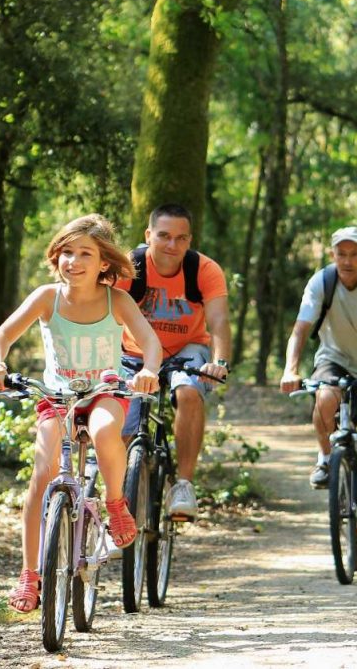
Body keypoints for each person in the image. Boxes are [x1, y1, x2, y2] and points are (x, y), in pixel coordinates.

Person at [0, 214, 162, 613]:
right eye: (66, 252)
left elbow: (149, 341)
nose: (73, 261)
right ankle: (30, 574)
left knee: (102, 431)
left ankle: (115, 502)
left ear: (104, 263)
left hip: (105, 392)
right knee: (42, 476)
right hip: (57, 397)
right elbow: (3, 336)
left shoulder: (117, 300)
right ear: (55, 256)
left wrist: (148, 370)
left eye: (85, 253)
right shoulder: (48, 297)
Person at [280, 226, 357, 548]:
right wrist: (291, 368)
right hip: (334, 359)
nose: (347, 261)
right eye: (341, 253)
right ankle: (325, 458)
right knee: (324, 398)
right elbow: (301, 328)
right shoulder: (322, 281)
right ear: (333, 255)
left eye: (354, 254)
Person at [117, 203, 232, 520]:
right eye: (164, 236)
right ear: (148, 235)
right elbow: (107, 315)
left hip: (187, 348)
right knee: (124, 428)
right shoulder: (130, 267)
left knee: (188, 392)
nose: (172, 245)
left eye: (181, 238)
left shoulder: (204, 270)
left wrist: (219, 361)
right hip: (134, 352)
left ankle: (183, 484)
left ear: (190, 240)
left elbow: (219, 321)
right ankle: (129, 497)